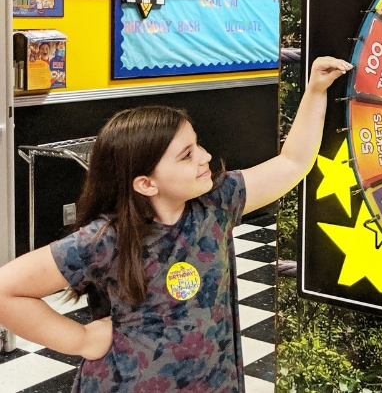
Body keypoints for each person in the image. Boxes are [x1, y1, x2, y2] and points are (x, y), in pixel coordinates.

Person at [0, 56, 352, 392]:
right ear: (146, 183)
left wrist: (315, 90)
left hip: (215, 382)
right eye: (187, 155)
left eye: (196, 146)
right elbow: (6, 289)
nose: (205, 157)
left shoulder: (217, 202)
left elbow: (292, 163)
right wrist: (81, 339)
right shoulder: (108, 239)